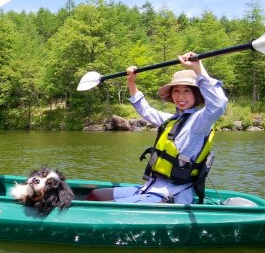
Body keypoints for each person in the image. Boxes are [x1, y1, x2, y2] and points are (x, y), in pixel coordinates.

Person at [87, 51, 228, 204]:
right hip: (150, 187)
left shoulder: (199, 122)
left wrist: (198, 69)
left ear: (197, 95)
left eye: (187, 91)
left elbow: (218, 104)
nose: (180, 96)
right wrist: (131, 82)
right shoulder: (171, 120)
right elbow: (145, 110)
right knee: (95, 195)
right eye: (176, 91)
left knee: (107, 208)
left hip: (171, 195)